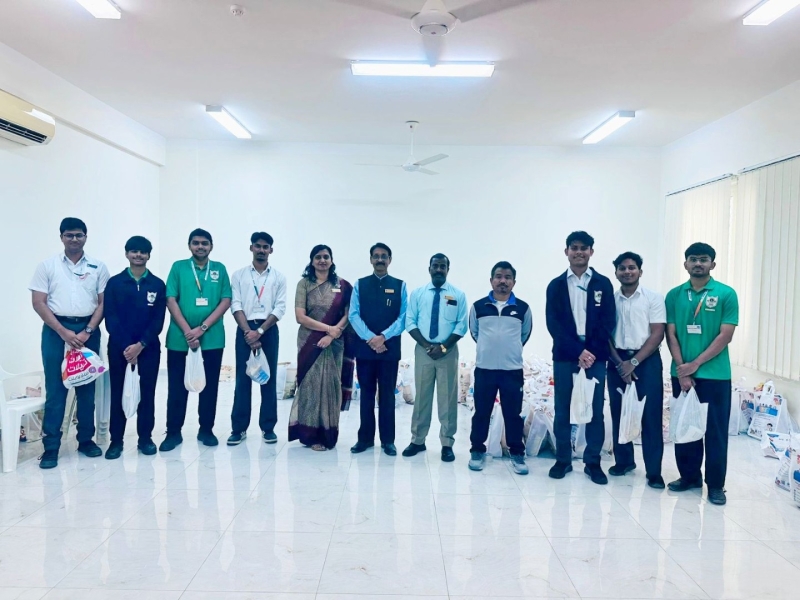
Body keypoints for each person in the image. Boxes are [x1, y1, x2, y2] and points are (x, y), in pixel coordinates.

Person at [29, 217, 110, 469]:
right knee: (56, 389)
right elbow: (39, 302)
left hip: (88, 330)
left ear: (86, 237)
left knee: (86, 388)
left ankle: (85, 440)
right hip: (56, 331)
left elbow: (103, 302)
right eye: (69, 235)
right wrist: (63, 331)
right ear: (61, 237)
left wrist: (87, 330)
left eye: (79, 235)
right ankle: (51, 447)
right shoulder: (47, 266)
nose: (74, 239)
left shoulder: (98, 267)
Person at [665, 242, 738, 506]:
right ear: (685, 264)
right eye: (693, 259)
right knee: (685, 427)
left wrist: (694, 364)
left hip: (716, 375)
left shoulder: (726, 294)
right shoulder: (674, 295)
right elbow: (671, 334)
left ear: (712, 264)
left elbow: (725, 335)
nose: (698, 263)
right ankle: (689, 477)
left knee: (715, 432)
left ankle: (716, 485)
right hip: (682, 374)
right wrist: (682, 369)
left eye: (704, 259)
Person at [545, 231, 616, 485]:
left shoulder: (603, 284)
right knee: (562, 409)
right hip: (566, 356)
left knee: (595, 410)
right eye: (574, 247)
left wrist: (590, 352)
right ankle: (563, 459)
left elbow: (608, 322)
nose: (579, 252)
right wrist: (577, 351)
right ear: (566, 251)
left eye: (584, 248)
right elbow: (553, 324)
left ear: (591, 252)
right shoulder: (555, 285)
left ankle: (593, 462)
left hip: (595, 357)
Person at [161, 228, 232, 451]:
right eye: (196, 243)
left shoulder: (219, 269)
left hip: (212, 338)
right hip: (179, 339)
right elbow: (170, 299)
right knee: (176, 387)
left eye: (204, 243)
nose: (200, 246)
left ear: (211, 246)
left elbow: (226, 300)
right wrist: (188, 331)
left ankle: (206, 430)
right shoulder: (178, 267)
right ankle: (173, 432)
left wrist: (201, 329)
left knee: (209, 387)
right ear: (189, 245)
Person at [103, 236, 167, 459]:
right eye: (134, 251)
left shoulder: (157, 284)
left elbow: (158, 320)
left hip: (148, 347)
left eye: (143, 252)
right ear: (126, 254)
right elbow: (110, 318)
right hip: (119, 348)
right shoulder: (114, 283)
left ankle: (145, 438)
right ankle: (116, 441)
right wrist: (127, 347)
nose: (138, 255)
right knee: (117, 392)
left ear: (149, 255)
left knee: (147, 393)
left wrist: (140, 345)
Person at [607, 252, 666, 488]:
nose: (627, 272)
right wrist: (620, 363)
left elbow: (657, 333)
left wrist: (633, 362)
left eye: (632, 267)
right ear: (616, 273)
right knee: (619, 413)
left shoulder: (653, 298)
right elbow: (605, 335)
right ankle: (624, 461)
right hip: (617, 360)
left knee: (651, 416)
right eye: (622, 268)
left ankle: (654, 471)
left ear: (640, 271)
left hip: (647, 361)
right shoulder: (610, 300)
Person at [467, 261, 532, 475]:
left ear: (514, 282)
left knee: (513, 414)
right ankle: (477, 450)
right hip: (485, 369)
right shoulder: (478, 307)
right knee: (481, 412)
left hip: (512, 371)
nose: (502, 281)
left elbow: (524, 335)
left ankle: (517, 453)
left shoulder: (523, 308)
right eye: (498, 276)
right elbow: (475, 332)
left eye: (507, 277)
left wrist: (508, 351)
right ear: (491, 280)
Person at [402, 253, 468, 462]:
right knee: (422, 397)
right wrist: (426, 345)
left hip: (448, 352)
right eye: (435, 266)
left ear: (448, 269)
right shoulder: (418, 294)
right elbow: (410, 321)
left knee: (448, 399)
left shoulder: (458, 295)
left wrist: (444, 347)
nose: (439, 270)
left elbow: (462, 325)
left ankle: (447, 443)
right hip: (424, 351)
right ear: (429, 269)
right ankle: (417, 441)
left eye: (442, 266)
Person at [289, 244, 354, 450]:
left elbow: (349, 314)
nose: (322, 260)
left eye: (326, 257)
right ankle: (309, 435)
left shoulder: (343, 286)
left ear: (332, 260)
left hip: (335, 343)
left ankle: (327, 434)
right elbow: (300, 317)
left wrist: (333, 334)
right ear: (312, 261)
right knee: (309, 386)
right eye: (318, 257)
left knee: (330, 387)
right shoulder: (304, 284)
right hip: (309, 341)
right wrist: (328, 329)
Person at [227, 232, 287, 446]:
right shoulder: (239, 275)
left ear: (271, 250)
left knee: (267, 379)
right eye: (258, 246)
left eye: (265, 246)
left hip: (268, 330)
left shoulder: (278, 277)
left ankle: (268, 428)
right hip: (244, 328)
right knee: (243, 380)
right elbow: (235, 304)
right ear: (251, 247)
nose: (261, 250)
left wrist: (259, 332)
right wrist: (248, 332)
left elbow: (280, 308)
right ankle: (238, 429)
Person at [349, 243, 407, 456]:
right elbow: (353, 315)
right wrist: (371, 339)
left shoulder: (400, 285)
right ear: (371, 259)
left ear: (390, 260)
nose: (380, 259)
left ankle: (388, 441)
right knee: (366, 394)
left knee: (387, 396)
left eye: (384, 256)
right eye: (376, 256)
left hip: (389, 350)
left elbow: (403, 317)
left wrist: (383, 337)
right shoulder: (360, 284)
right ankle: (364, 439)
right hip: (365, 350)